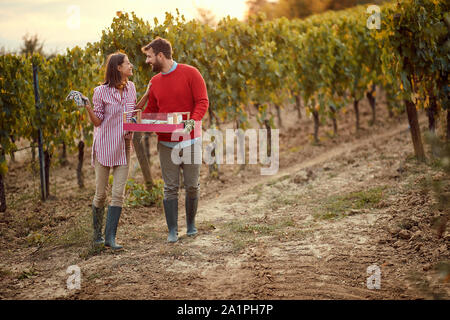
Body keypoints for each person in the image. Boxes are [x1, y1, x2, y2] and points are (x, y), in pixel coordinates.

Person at [140, 37, 209, 243]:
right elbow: (151, 110)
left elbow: (202, 102)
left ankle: (190, 225)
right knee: (170, 187)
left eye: (149, 57)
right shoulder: (154, 82)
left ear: (161, 56)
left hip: (190, 140)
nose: (147, 61)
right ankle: (172, 230)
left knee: (191, 186)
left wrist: (191, 123)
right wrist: (142, 124)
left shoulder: (191, 73)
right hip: (166, 143)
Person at [83, 52, 144, 250]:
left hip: (124, 146)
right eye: (128, 63)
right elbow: (98, 121)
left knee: (118, 194)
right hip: (104, 146)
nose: (131, 65)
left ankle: (110, 238)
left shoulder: (131, 88)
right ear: (118, 68)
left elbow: (133, 112)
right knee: (101, 194)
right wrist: (88, 108)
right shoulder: (100, 91)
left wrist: (149, 92)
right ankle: (97, 236)